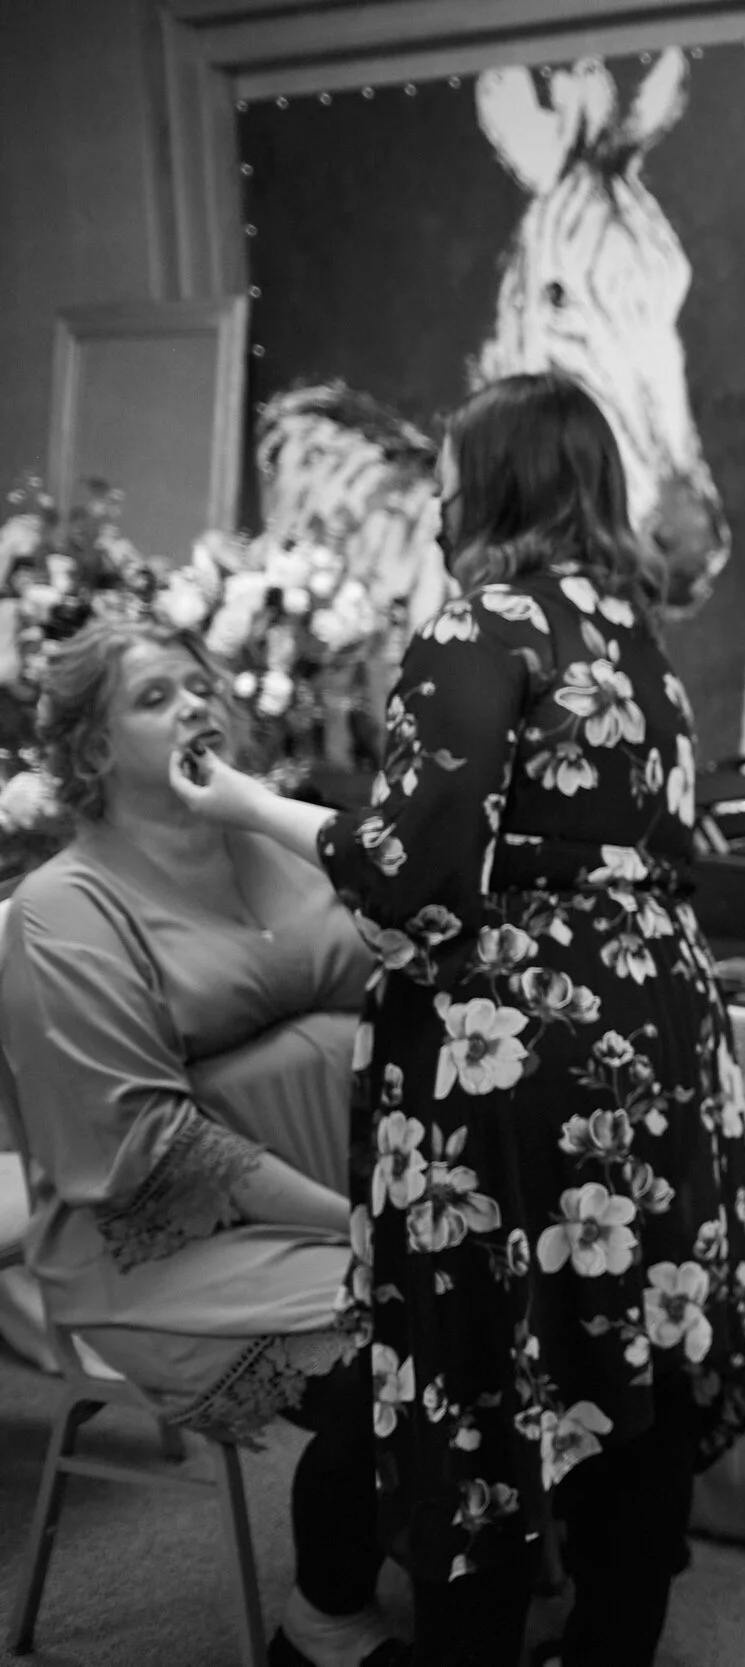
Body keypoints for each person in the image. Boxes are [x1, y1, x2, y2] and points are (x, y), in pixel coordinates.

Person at [172, 372, 745, 1667]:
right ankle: (609, 1639)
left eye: (447, 476)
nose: (434, 504)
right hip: (661, 1023)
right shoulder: (636, 636)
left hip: (522, 1046)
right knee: (626, 1341)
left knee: (483, 1364)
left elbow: (410, 868)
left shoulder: (480, 624)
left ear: (493, 484)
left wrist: (247, 804)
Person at [0, 618, 401, 1667]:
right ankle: (325, 1621)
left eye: (199, 685)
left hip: (347, 1191)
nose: (195, 704)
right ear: (93, 750)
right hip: (164, 1243)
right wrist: (357, 1225)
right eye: (156, 696)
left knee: (494, 1296)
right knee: (395, 1350)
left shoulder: (271, 840)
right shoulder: (61, 909)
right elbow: (151, 1146)